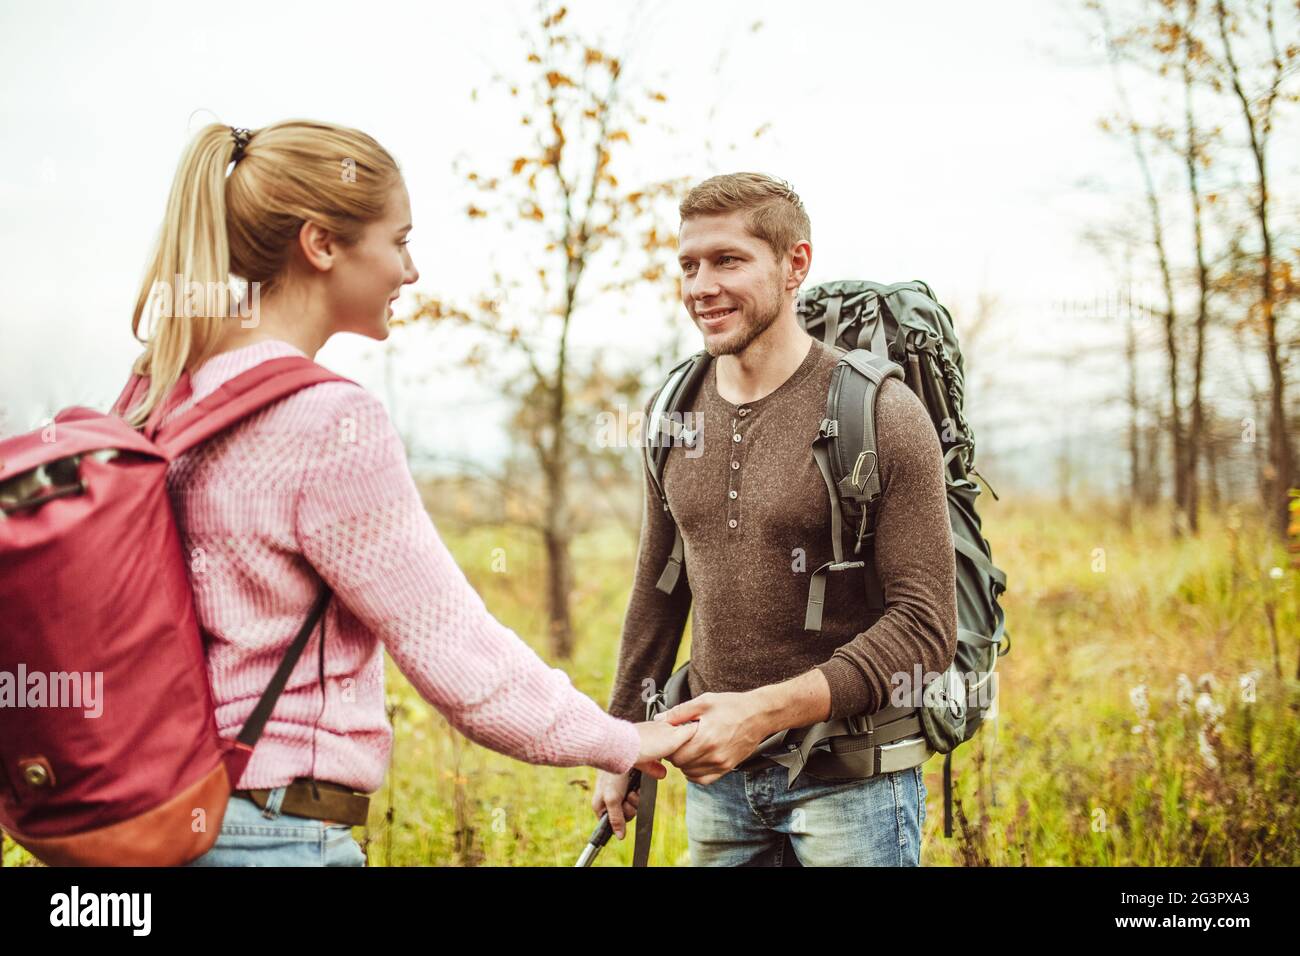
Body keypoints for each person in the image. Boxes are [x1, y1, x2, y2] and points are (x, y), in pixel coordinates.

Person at [117, 119, 693, 866]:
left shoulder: (158, 392)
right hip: (274, 834)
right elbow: (459, 660)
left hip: (161, 826)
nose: (411, 271)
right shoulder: (328, 420)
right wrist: (624, 737)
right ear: (322, 244)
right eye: (399, 241)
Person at [594, 172, 957, 866]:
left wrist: (762, 712)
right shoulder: (676, 410)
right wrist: (621, 738)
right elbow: (660, 588)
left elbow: (925, 627)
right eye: (689, 265)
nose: (701, 285)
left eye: (728, 260)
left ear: (796, 265)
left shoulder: (880, 414)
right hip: (719, 784)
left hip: (853, 786)